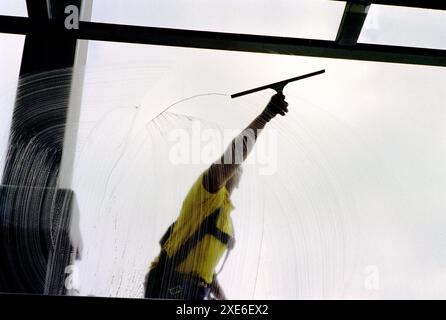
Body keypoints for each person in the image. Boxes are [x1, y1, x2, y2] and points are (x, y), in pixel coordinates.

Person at [144, 92, 289, 300]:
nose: (236, 168)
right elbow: (231, 158)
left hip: (195, 291)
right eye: (235, 166)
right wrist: (265, 117)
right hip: (170, 284)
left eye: (238, 168)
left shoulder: (227, 221)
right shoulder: (206, 195)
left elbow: (207, 272)